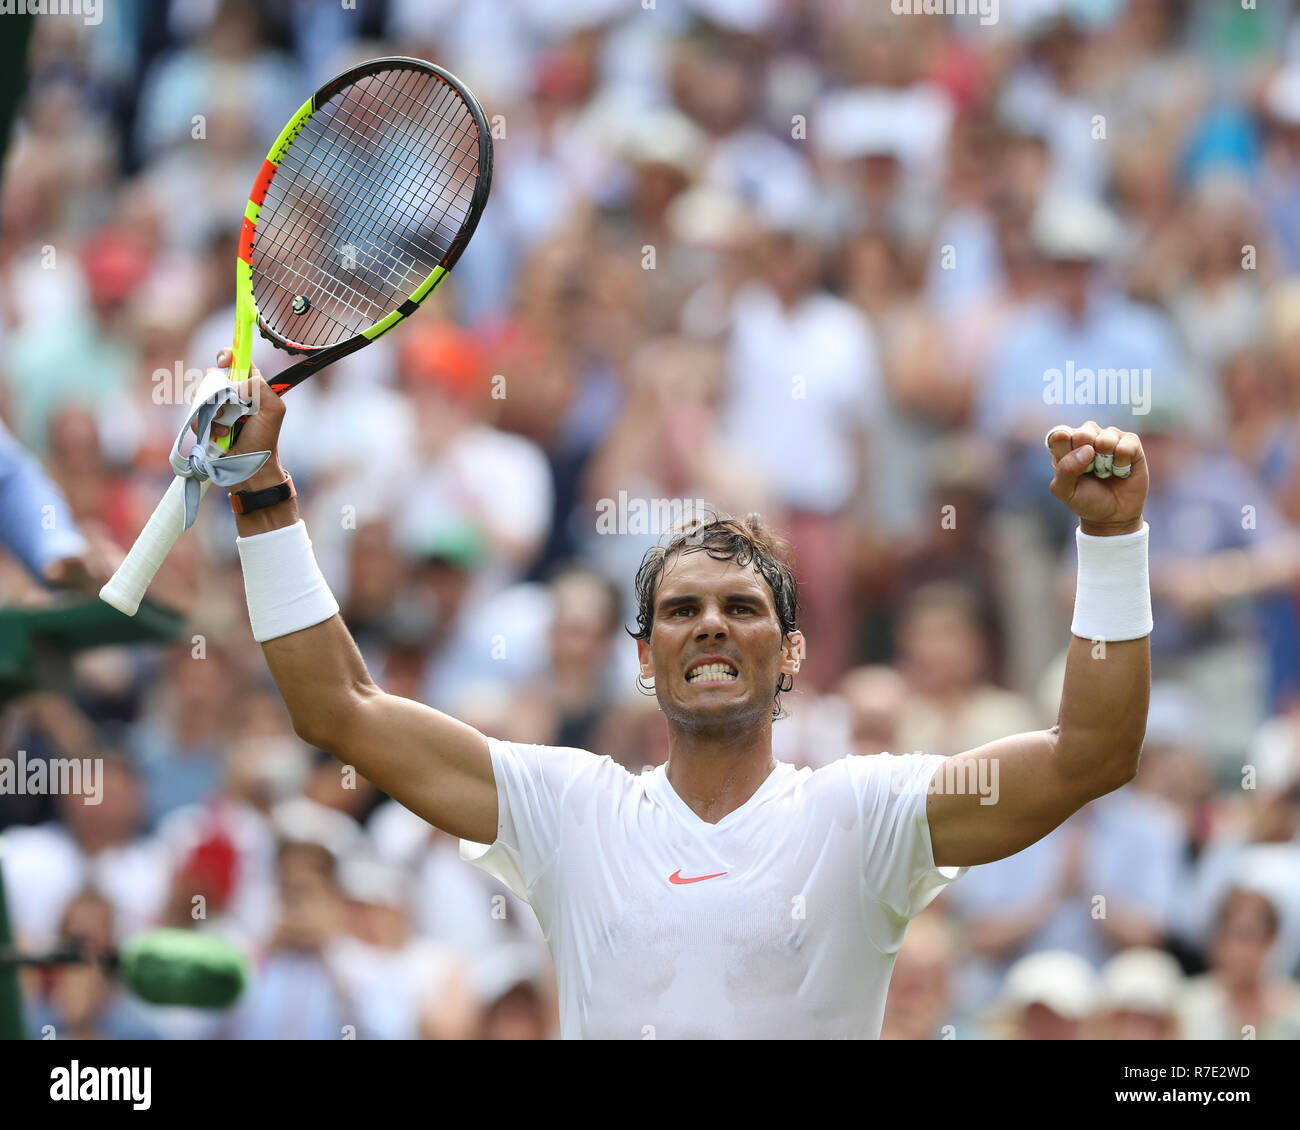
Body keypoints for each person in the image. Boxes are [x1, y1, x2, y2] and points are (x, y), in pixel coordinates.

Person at [213, 343, 1153, 1039]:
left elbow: (1091, 756)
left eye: (741, 607)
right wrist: (261, 490)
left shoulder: (862, 811)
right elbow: (336, 707)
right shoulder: (567, 808)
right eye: (681, 609)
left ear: (790, 656)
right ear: (642, 658)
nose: (709, 623)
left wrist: (1113, 544)